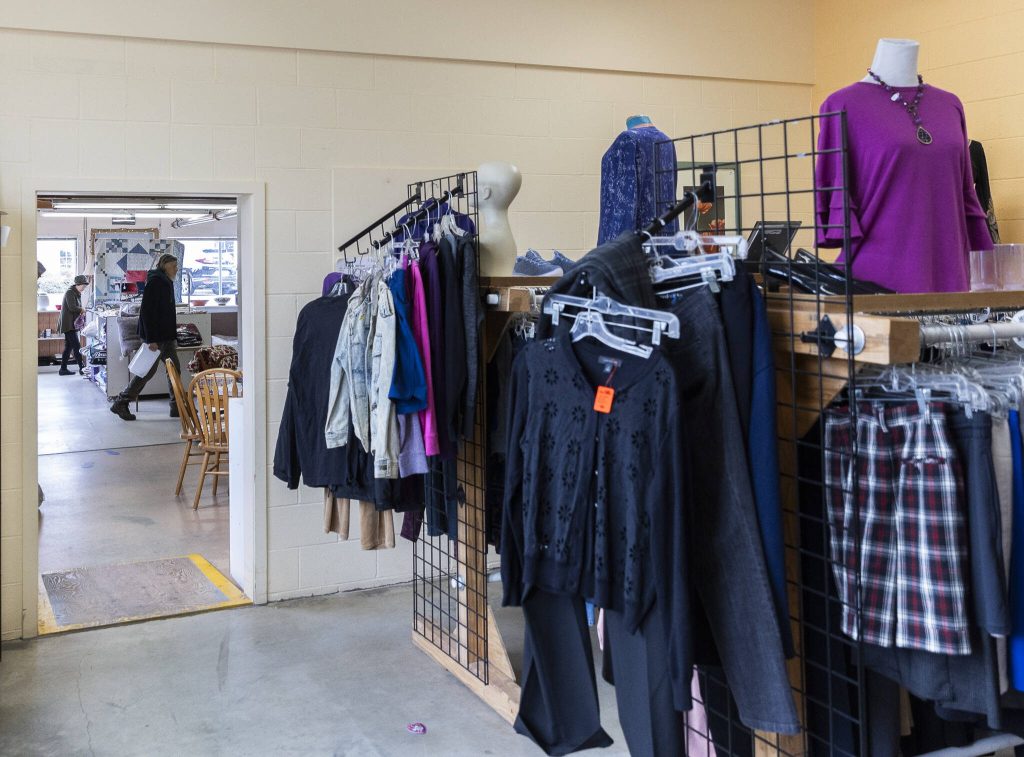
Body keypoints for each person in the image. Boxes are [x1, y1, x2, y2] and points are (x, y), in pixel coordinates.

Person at [110, 254, 181, 421]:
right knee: (146, 373)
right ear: (164, 266)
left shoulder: (166, 281)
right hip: (156, 338)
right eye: (173, 266)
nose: (176, 269)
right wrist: (150, 339)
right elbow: (147, 312)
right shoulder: (157, 282)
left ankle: (176, 406)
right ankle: (121, 401)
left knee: (174, 371)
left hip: (166, 337)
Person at [58, 274, 89, 375]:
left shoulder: (75, 293)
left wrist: (81, 308)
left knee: (69, 347)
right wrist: (82, 309)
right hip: (68, 325)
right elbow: (72, 307)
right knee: (76, 346)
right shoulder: (70, 292)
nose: (84, 288)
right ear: (78, 284)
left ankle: (63, 369)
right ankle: (82, 368)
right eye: (83, 286)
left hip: (70, 324)